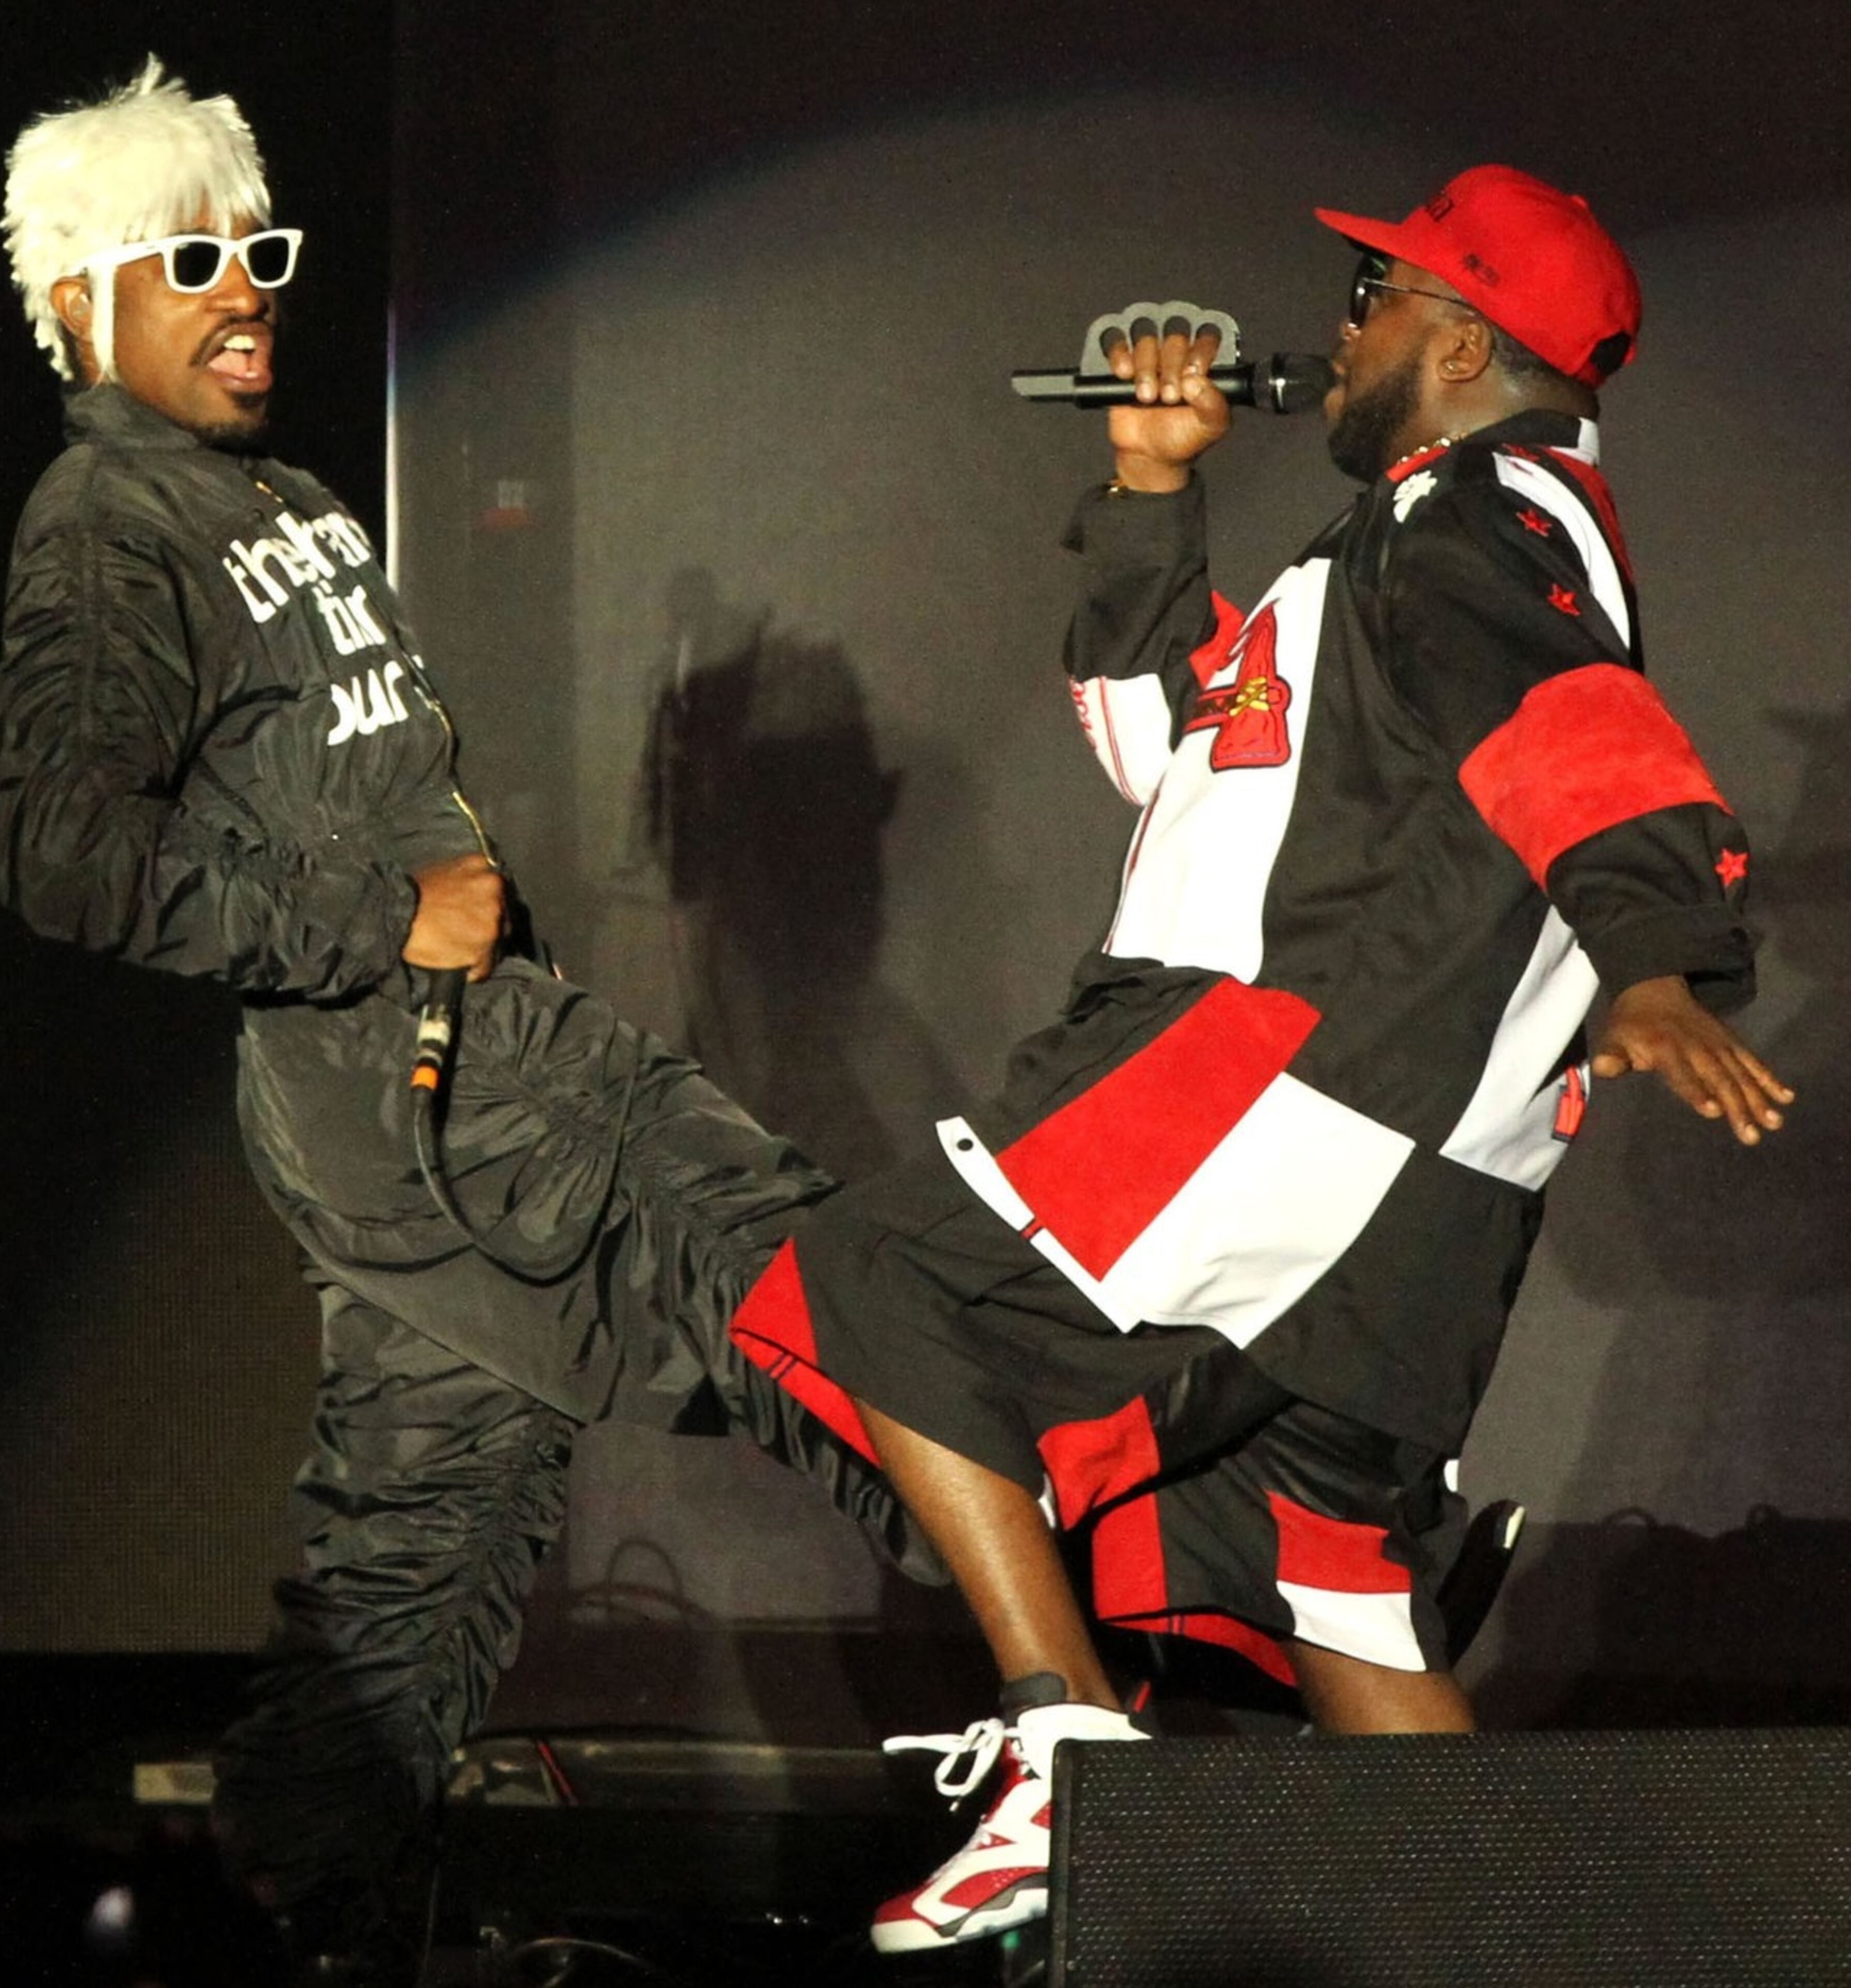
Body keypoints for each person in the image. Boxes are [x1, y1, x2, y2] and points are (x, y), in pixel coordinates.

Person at [724, 164, 1795, 1953]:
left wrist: (1658, 956)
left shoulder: (1475, 524)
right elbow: (1184, 766)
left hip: (1294, 1085)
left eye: (1379, 295)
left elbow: (1584, 735)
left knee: (874, 1282)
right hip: (1411, 1168)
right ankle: (1506, 1952)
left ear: (1460, 340)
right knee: (1339, 1582)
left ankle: (1063, 1748)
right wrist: (1154, 492)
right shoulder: (1412, 543)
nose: (1346, 323)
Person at [0, 59, 934, 1984]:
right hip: (454, 1105)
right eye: (191, 261)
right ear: (85, 300)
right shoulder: (105, 528)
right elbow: (63, 855)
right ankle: (1240, 1592)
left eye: (260, 247)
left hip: (453, 1084)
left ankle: (271, 1930)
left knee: (406, 1584)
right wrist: (385, 918)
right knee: (840, 1300)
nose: (247, 288)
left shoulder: (285, 499)